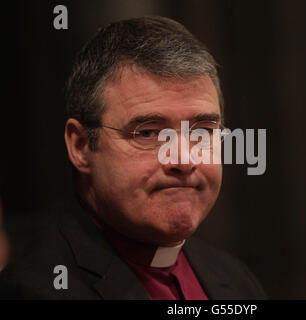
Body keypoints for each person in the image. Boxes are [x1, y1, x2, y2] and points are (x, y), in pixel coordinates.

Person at [0, 17, 266, 300]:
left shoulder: (234, 277)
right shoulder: (33, 291)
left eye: (201, 133)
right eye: (149, 133)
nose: (184, 160)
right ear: (80, 146)